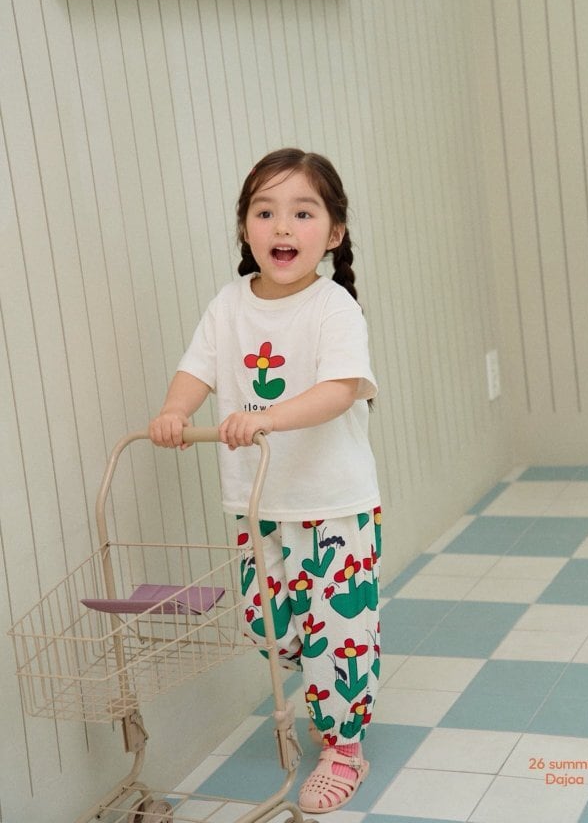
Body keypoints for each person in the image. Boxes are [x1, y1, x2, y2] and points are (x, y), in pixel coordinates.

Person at [149, 147, 381, 814]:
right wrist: (174, 411)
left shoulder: (333, 308)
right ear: (245, 227)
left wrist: (269, 417)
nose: (282, 226)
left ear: (333, 233)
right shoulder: (229, 306)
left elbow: (340, 389)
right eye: (265, 211)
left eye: (302, 213)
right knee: (268, 626)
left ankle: (343, 744)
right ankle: (329, 680)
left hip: (333, 504)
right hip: (261, 504)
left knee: (335, 630)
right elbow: (197, 368)